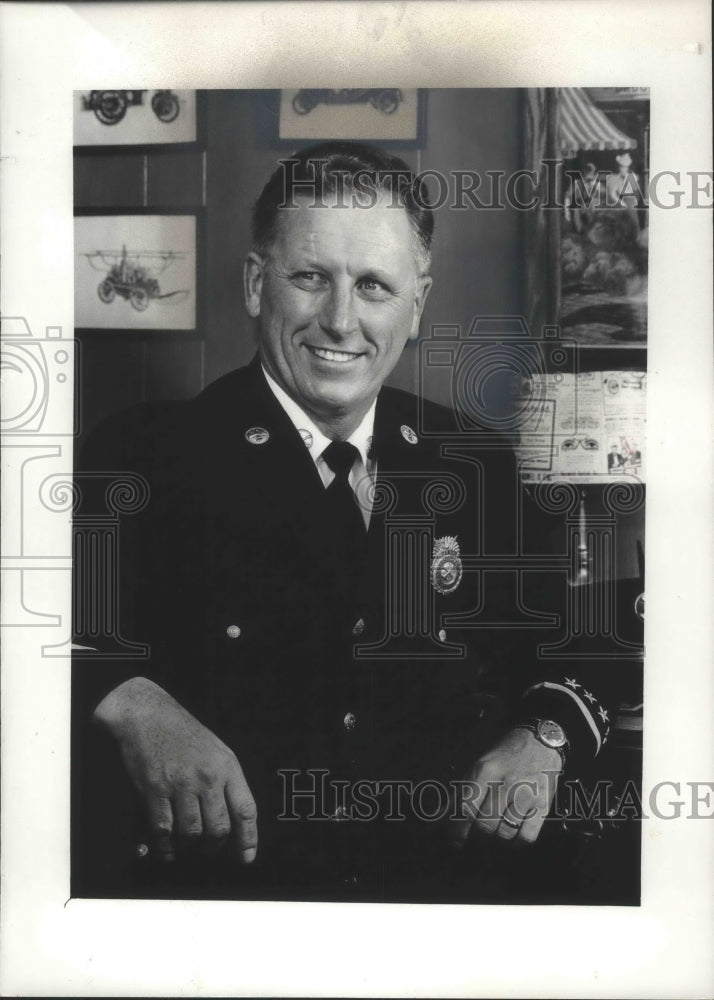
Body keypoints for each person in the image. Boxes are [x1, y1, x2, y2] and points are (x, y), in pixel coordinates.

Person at [72, 142, 623, 903]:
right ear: (256, 284)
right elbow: (37, 634)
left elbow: (580, 641)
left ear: (417, 304)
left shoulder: (478, 469)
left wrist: (545, 737)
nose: (340, 320)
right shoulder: (142, 454)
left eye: (373, 285)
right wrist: (131, 702)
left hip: (441, 902)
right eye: (310, 277)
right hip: (226, 907)